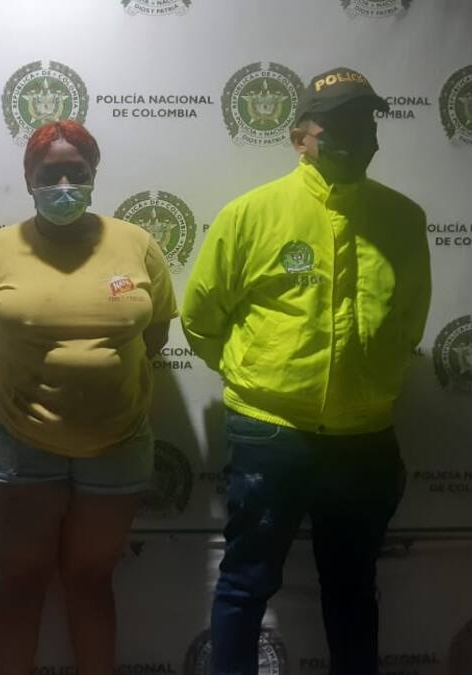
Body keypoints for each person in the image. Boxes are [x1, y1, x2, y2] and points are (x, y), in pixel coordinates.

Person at [181, 68, 432, 675]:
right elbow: (200, 318)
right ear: (300, 138)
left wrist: (368, 385)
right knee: (246, 582)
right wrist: (257, 377)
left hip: (364, 439)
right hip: (270, 434)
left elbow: (409, 321)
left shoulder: (403, 218)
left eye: (365, 123)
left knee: (353, 586)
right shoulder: (250, 215)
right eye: (338, 125)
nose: (356, 136)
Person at [0, 120, 178, 674]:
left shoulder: (137, 245)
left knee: (92, 579)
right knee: (23, 579)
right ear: (29, 178)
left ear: (95, 173)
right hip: (17, 437)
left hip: (117, 438)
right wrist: (17, 377)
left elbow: (156, 333)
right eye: (51, 174)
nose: (65, 184)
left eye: (77, 171)